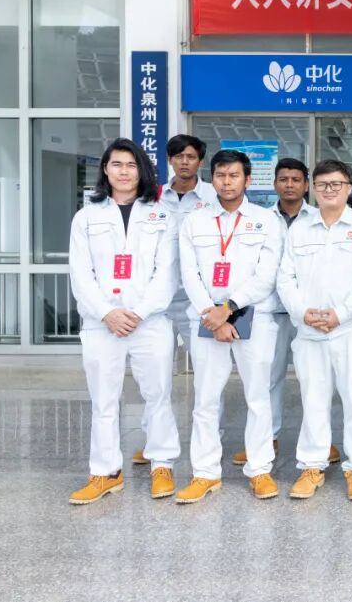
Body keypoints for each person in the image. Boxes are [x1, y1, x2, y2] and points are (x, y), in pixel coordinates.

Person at [68, 139, 181, 504]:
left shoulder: (162, 215)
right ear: (105, 169)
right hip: (102, 323)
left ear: (141, 170)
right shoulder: (86, 217)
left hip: (149, 322)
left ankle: (161, 464)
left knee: (158, 395)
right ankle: (105, 472)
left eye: (131, 165)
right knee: (103, 400)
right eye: (116, 164)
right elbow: (80, 273)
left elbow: (168, 272)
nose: (124, 171)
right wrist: (107, 312)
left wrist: (139, 313)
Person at [175, 149, 284, 503]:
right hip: (207, 319)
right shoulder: (195, 221)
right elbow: (189, 273)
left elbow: (266, 275)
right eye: (220, 175)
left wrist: (229, 308)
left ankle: (260, 469)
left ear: (247, 179)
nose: (226, 182)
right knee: (205, 399)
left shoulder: (267, 221)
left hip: (253, 317)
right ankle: (205, 473)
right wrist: (212, 314)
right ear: (213, 179)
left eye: (234, 175)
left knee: (258, 397)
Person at [278, 160, 352, 501]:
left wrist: (341, 314)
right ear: (313, 188)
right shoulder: (299, 229)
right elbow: (285, 278)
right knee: (313, 401)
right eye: (322, 184)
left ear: (349, 188)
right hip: (309, 332)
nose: (329, 190)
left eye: (336, 184)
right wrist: (302, 312)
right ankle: (312, 465)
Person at [231, 158, 334, 467]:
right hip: (271, 310)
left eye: (296, 180)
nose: (289, 185)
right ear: (275, 183)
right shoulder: (261, 219)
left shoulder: (320, 217)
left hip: (309, 311)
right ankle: (267, 439)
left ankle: (322, 441)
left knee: (315, 380)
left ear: (306, 185)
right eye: (284, 179)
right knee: (268, 378)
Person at [132, 134, 217, 467]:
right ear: (169, 160)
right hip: (157, 299)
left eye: (191, 156)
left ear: (200, 161)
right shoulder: (150, 198)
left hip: (199, 299)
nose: (185, 162)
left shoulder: (212, 196)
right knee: (155, 376)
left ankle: (211, 440)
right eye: (179, 156)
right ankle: (153, 440)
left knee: (208, 373)